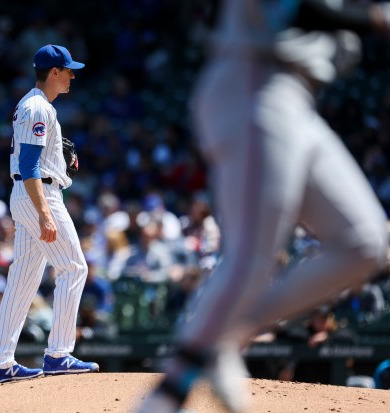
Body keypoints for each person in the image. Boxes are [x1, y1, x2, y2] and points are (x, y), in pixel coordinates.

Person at [139, 2, 390, 412]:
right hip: (254, 81)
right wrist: (375, 19)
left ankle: (221, 338)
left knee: (363, 241)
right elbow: (290, 8)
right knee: (251, 259)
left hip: (297, 99)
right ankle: (165, 397)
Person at [0, 44, 99, 384]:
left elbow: (32, 162)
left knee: (22, 280)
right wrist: (44, 213)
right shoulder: (38, 107)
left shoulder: (33, 105)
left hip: (26, 194)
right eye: (67, 70)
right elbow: (29, 164)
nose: (72, 75)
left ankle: (1, 363)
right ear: (53, 73)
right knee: (73, 267)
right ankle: (59, 354)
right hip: (40, 195)